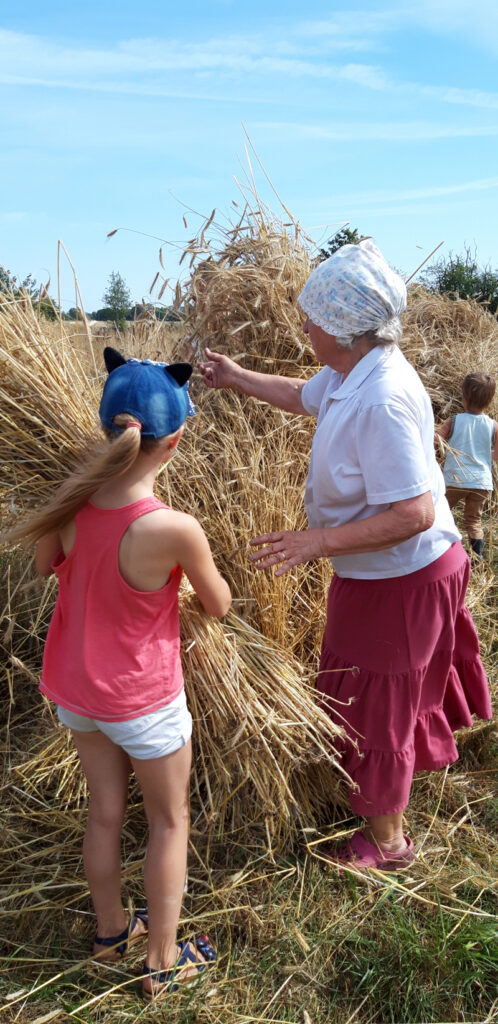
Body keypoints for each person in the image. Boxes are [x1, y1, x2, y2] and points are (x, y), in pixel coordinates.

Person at [199, 240, 492, 872]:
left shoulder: (381, 398)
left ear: (344, 327)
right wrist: (236, 378)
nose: (303, 326)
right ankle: (386, 796)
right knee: (374, 691)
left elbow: (412, 511)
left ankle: (389, 843)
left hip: (404, 576)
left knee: (381, 698)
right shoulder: (350, 374)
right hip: (384, 571)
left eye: (311, 317)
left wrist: (316, 542)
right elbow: (302, 396)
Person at [11, 348, 230, 999]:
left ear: (108, 426)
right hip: (143, 699)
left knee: (104, 812)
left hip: (77, 693)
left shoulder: (70, 505)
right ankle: (163, 960)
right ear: (177, 439)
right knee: (168, 821)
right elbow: (216, 603)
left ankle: (111, 932)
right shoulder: (173, 528)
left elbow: (47, 566)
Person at [437, 373, 497, 559]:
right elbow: (496, 455)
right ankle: (477, 558)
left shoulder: (454, 421)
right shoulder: (493, 425)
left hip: (456, 478)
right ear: (490, 401)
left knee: (442, 512)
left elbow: (436, 440)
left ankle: (444, 552)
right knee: (474, 521)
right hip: (481, 482)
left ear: (463, 399)